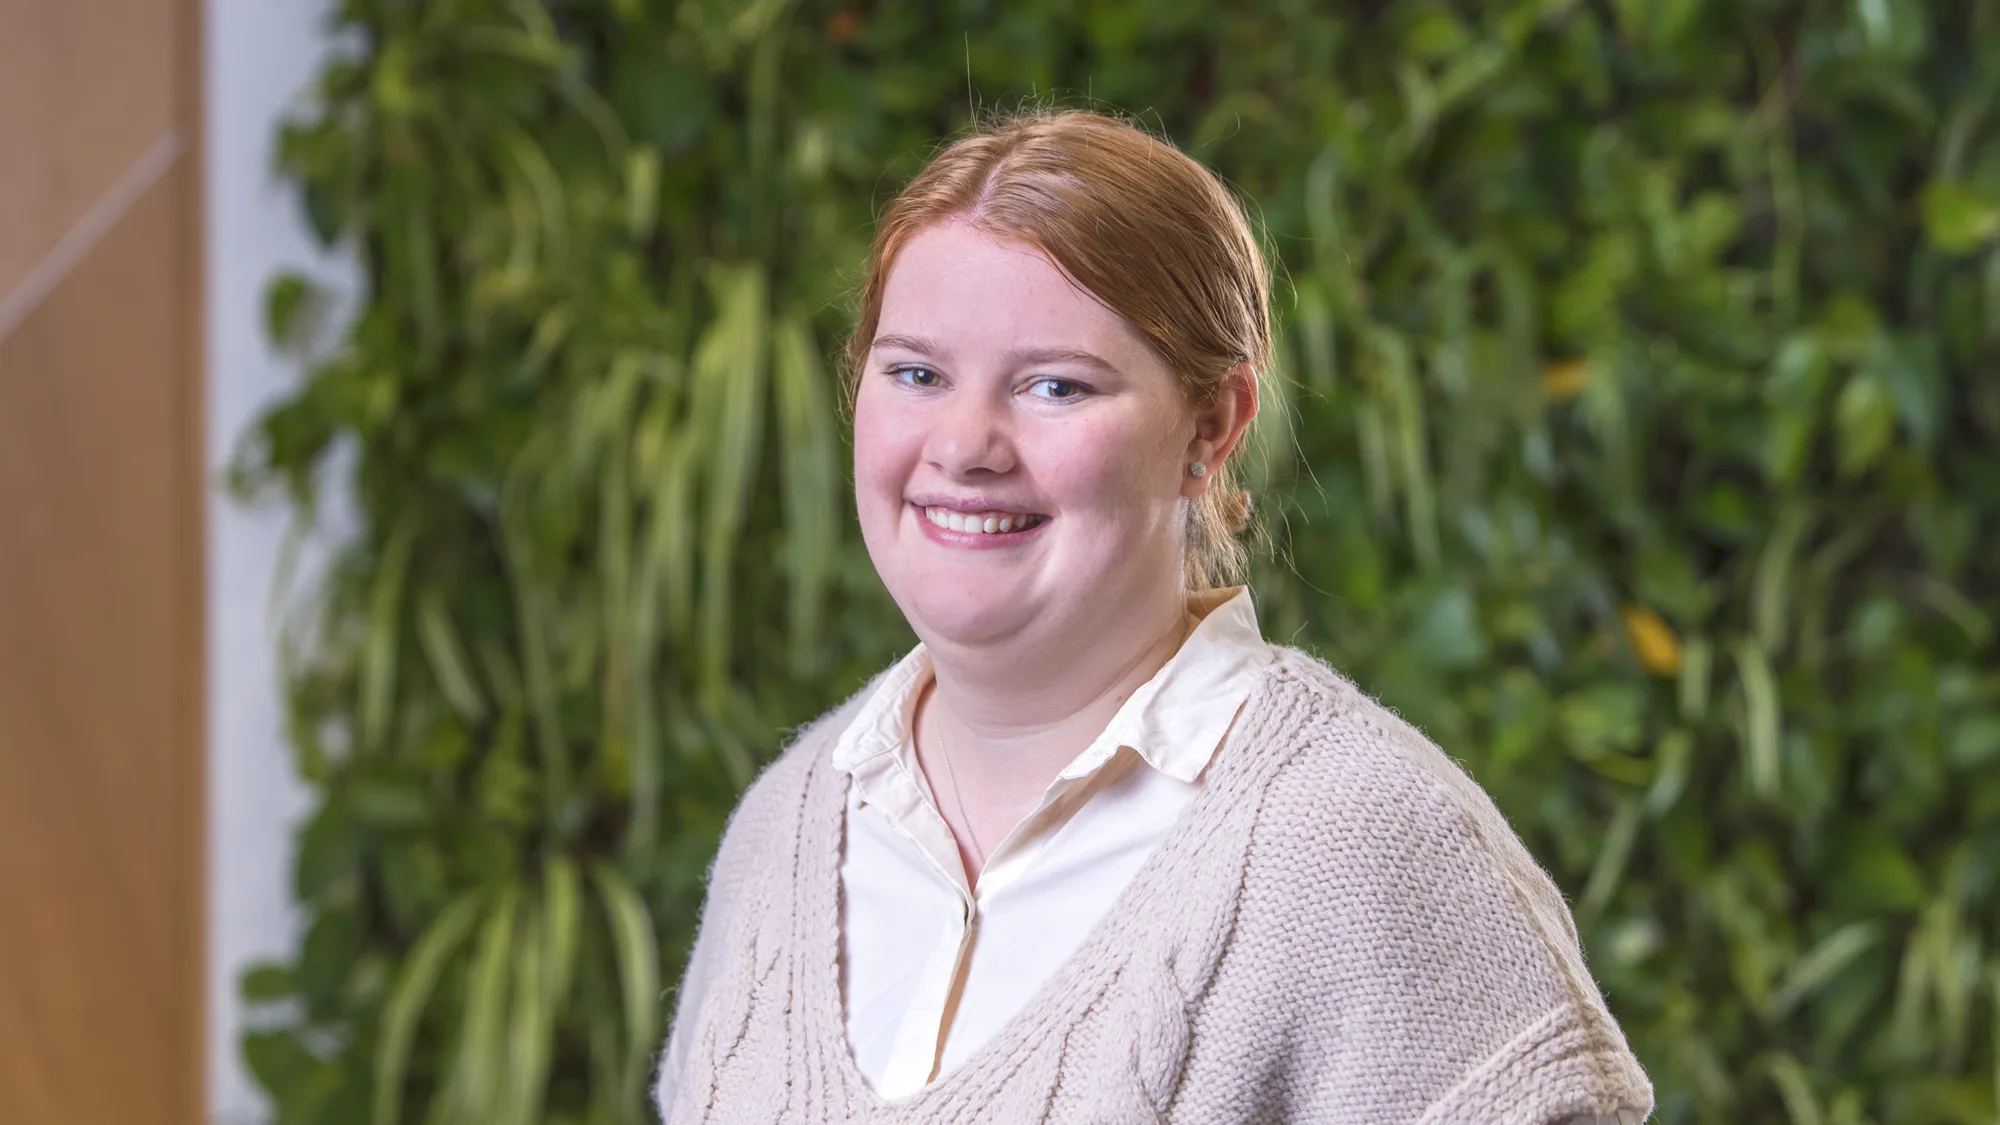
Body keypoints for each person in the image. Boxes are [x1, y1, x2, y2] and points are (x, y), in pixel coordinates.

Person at [653, 109, 1652, 1123]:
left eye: (1054, 386)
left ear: (1210, 427)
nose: (963, 446)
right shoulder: (784, 828)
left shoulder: (1361, 844)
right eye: (917, 373)